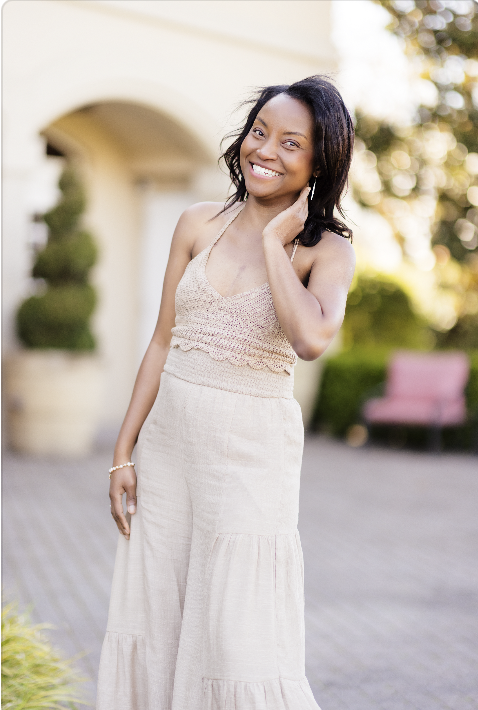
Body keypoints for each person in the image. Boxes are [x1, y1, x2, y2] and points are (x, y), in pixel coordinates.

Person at [97, 75, 355, 710]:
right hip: (168, 454)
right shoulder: (194, 222)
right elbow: (162, 341)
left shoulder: (327, 249)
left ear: (320, 160)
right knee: (159, 614)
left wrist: (273, 240)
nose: (264, 149)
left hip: (249, 460)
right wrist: (123, 452)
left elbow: (311, 338)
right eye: (259, 132)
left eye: (290, 142)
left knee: (239, 634)